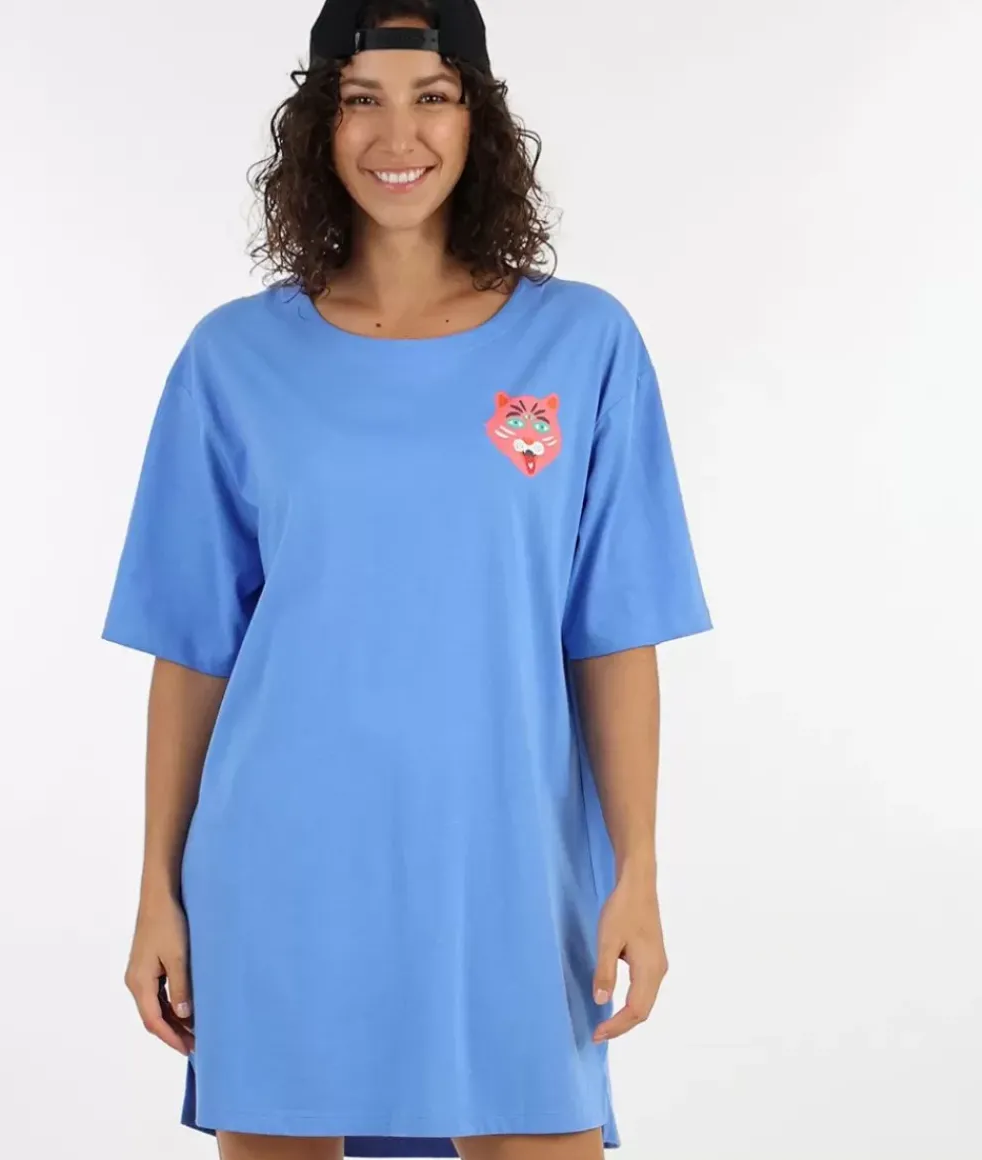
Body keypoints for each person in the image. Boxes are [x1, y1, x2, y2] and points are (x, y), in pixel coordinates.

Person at [101, 2, 713, 1159]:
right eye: (361, 101)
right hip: (283, 862)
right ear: (317, 128)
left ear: (478, 120)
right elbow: (191, 651)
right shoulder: (233, 358)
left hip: (510, 864)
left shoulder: (581, 344)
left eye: (431, 97)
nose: (398, 134)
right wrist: (155, 889)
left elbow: (613, 633)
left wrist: (636, 872)